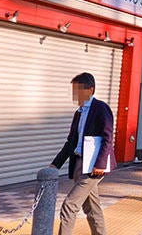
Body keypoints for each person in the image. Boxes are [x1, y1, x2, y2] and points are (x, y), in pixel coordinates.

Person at [50, 72, 116, 235]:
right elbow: (71, 142)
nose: (75, 95)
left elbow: (108, 138)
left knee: (69, 206)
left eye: (79, 90)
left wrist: (100, 164)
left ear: (91, 89)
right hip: (80, 163)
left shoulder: (101, 108)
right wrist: (55, 164)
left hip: (94, 166)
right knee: (92, 208)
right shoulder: (78, 112)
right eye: (74, 91)